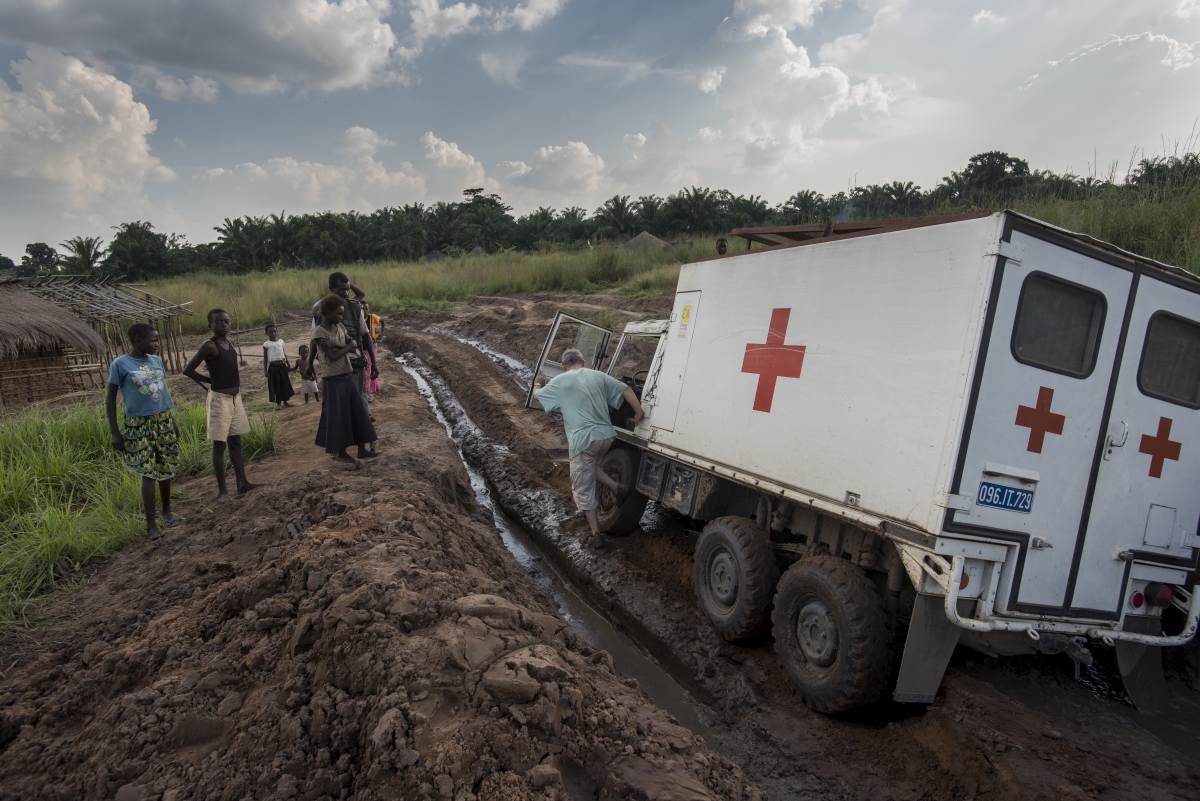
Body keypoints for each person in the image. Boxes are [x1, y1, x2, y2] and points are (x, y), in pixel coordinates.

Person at [533, 348, 644, 538]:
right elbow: (626, 389)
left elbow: (537, 396)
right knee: (590, 466)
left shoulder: (560, 380)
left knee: (582, 489)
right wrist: (639, 411)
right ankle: (617, 487)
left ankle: (596, 535)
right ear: (583, 363)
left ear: (563, 366)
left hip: (584, 441)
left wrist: (538, 383)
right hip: (606, 437)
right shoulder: (599, 375)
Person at [105, 323, 180, 540]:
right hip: (138, 423)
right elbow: (110, 398)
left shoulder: (156, 361)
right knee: (148, 471)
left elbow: (163, 393)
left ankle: (167, 512)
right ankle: (151, 525)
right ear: (138, 341)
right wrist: (115, 432)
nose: (157, 344)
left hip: (162, 419)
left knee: (166, 466)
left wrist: (172, 422)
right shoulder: (120, 364)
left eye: (158, 340)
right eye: (153, 341)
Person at [183, 309, 264, 503]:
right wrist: (209, 381)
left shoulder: (229, 343)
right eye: (218, 322)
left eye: (226, 321)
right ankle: (222, 492)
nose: (224, 324)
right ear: (210, 325)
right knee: (219, 445)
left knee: (235, 442)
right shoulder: (208, 346)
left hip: (235, 399)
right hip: (220, 400)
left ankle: (242, 483)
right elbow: (188, 370)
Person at [310, 294, 379, 465]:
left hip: (346, 374)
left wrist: (337, 344)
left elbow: (354, 344)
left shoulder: (339, 326)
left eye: (341, 314)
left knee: (358, 412)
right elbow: (332, 356)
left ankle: (361, 449)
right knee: (338, 417)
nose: (340, 317)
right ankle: (341, 452)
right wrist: (346, 346)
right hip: (332, 379)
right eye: (337, 314)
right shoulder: (319, 332)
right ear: (326, 312)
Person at [311, 272, 376, 401]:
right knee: (340, 402)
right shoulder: (319, 309)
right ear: (331, 289)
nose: (346, 293)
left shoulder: (355, 307)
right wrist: (310, 363)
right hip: (333, 367)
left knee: (358, 398)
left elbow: (365, 336)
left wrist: (373, 362)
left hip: (355, 362)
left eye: (348, 289)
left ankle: (362, 419)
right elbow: (315, 341)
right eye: (342, 290)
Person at [262, 323, 295, 409]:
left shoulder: (281, 342)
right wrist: (265, 370)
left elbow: (284, 353)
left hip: (282, 366)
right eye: (270, 332)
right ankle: (278, 404)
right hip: (273, 367)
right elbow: (265, 358)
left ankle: (286, 401)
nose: (273, 333)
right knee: (276, 385)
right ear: (267, 333)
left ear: (277, 332)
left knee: (285, 383)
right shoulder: (266, 344)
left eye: (274, 331)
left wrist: (288, 364)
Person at [362, 301, 381, 399]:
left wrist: (381, 334)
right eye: (363, 309)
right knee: (368, 368)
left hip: (372, 346)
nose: (365, 311)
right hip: (362, 348)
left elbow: (382, 321)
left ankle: (368, 391)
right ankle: (376, 387)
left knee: (368, 367)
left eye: (366, 309)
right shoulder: (358, 320)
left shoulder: (371, 317)